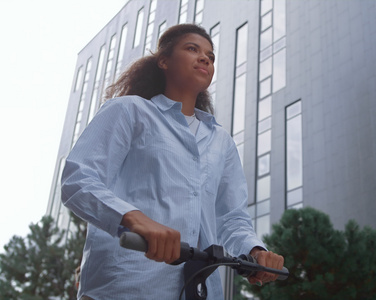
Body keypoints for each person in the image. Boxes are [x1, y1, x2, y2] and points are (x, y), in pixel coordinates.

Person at [61, 24, 284, 300]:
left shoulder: (222, 141)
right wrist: (132, 219)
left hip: (199, 291)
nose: (205, 58)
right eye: (192, 49)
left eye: (210, 56)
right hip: (124, 286)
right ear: (164, 61)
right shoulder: (130, 111)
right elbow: (78, 180)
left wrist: (254, 251)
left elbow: (230, 217)